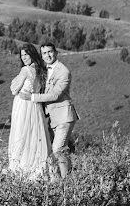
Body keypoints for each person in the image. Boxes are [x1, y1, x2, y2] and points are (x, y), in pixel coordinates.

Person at [18, 42, 78, 179]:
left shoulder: (63, 71)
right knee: (51, 151)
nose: (47, 55)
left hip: (64, 116)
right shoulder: (43, 69)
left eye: (50, 52)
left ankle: (66, 182)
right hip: (51, 118)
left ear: (56, 52)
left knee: (58, 149)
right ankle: (57, 180)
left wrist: (31, 97)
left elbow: (55, 95)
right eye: (44, 53)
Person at [7, 43, 52, 179]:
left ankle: (21, 168)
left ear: (32, 54)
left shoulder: (26, 70)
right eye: (22, 55)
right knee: (34, 135)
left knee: (21, 134)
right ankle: (35, 166)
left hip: (23, 105)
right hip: (35, 106)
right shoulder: (41, 70)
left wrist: (14, 84)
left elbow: (14, 90)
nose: (24, 57)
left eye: (26, 54)